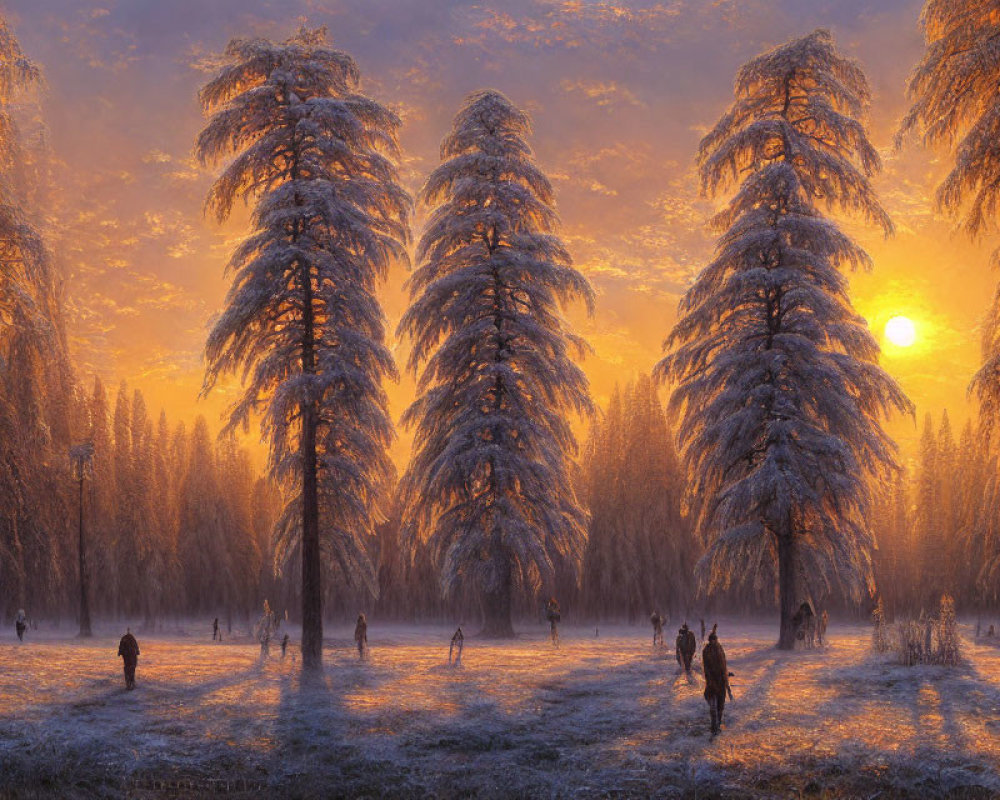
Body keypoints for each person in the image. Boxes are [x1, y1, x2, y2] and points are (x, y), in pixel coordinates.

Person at [702, 625, 729, 736]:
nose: (714, 641)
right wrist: (711, 681)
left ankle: (718, 724)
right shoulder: (707, 650)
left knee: (721, 705)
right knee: (713, 705)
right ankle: (714, 726)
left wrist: (726, 674)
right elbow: (706, 668)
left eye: (715, 639)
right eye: (713, 640)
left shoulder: (720, 648)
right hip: (712, 681)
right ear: (710, 640)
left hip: (721, 680)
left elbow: (724, 663)